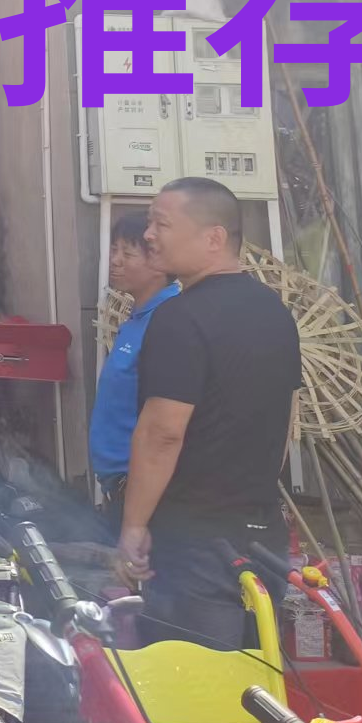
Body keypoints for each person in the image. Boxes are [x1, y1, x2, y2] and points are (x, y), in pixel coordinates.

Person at [115, 177, 301, 649]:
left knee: (194, 680)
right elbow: (286, 424)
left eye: (161, 224)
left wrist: (133, 525)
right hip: (264, 536)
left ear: (214, 238)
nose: (149, 235)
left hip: (194, 542)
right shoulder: (275, 311)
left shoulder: (179, 318)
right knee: (257, 678)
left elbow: (162, 433)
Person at [90, 210, 180, 513]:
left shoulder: (169, 321)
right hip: (118, 482)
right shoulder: (137, 319)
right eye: (114, 250)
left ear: (159, 262)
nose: (115, 261)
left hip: (142, 486)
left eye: (128, 253)